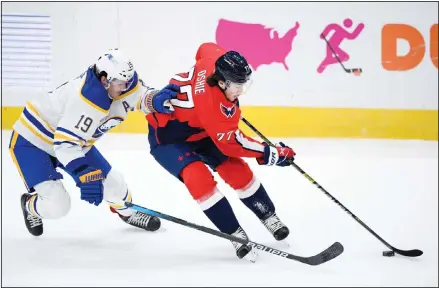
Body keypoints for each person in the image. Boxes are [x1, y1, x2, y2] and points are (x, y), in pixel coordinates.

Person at [145, 43, 296, 261]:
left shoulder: (215, 59)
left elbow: (204, 48)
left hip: (202, 131)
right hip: (168, 138)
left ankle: (268, 215)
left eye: (244, 84)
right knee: (199, 179)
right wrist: (272, 153)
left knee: (237, 172)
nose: (240, 91)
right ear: (222, 81)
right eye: (237, 86)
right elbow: (232, 144)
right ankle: (234, 233)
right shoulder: (212, 107)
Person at [9, 48, 179, 237]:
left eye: (127, 82)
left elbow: (138, 95)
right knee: (58, 205)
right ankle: (29, 205)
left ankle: (127, 212)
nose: (126, 87)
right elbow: (65, 144)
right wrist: (84, 172)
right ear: (104, 80)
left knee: (114, 184)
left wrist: (154, 100)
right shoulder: (84, 99)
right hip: (33, 142)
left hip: (73, 142)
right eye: (120, 84)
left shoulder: (121, 82)